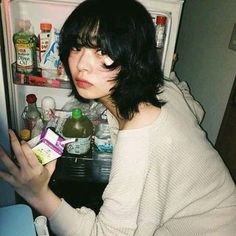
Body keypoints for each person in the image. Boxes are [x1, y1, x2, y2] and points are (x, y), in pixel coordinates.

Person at [0, 0, 236, 235]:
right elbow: (196, 110)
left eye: (104, 52)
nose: (82, 64)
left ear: (132, 58)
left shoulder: (140, 142)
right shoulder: (162, 89)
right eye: (77, 46)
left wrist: (38, 194)